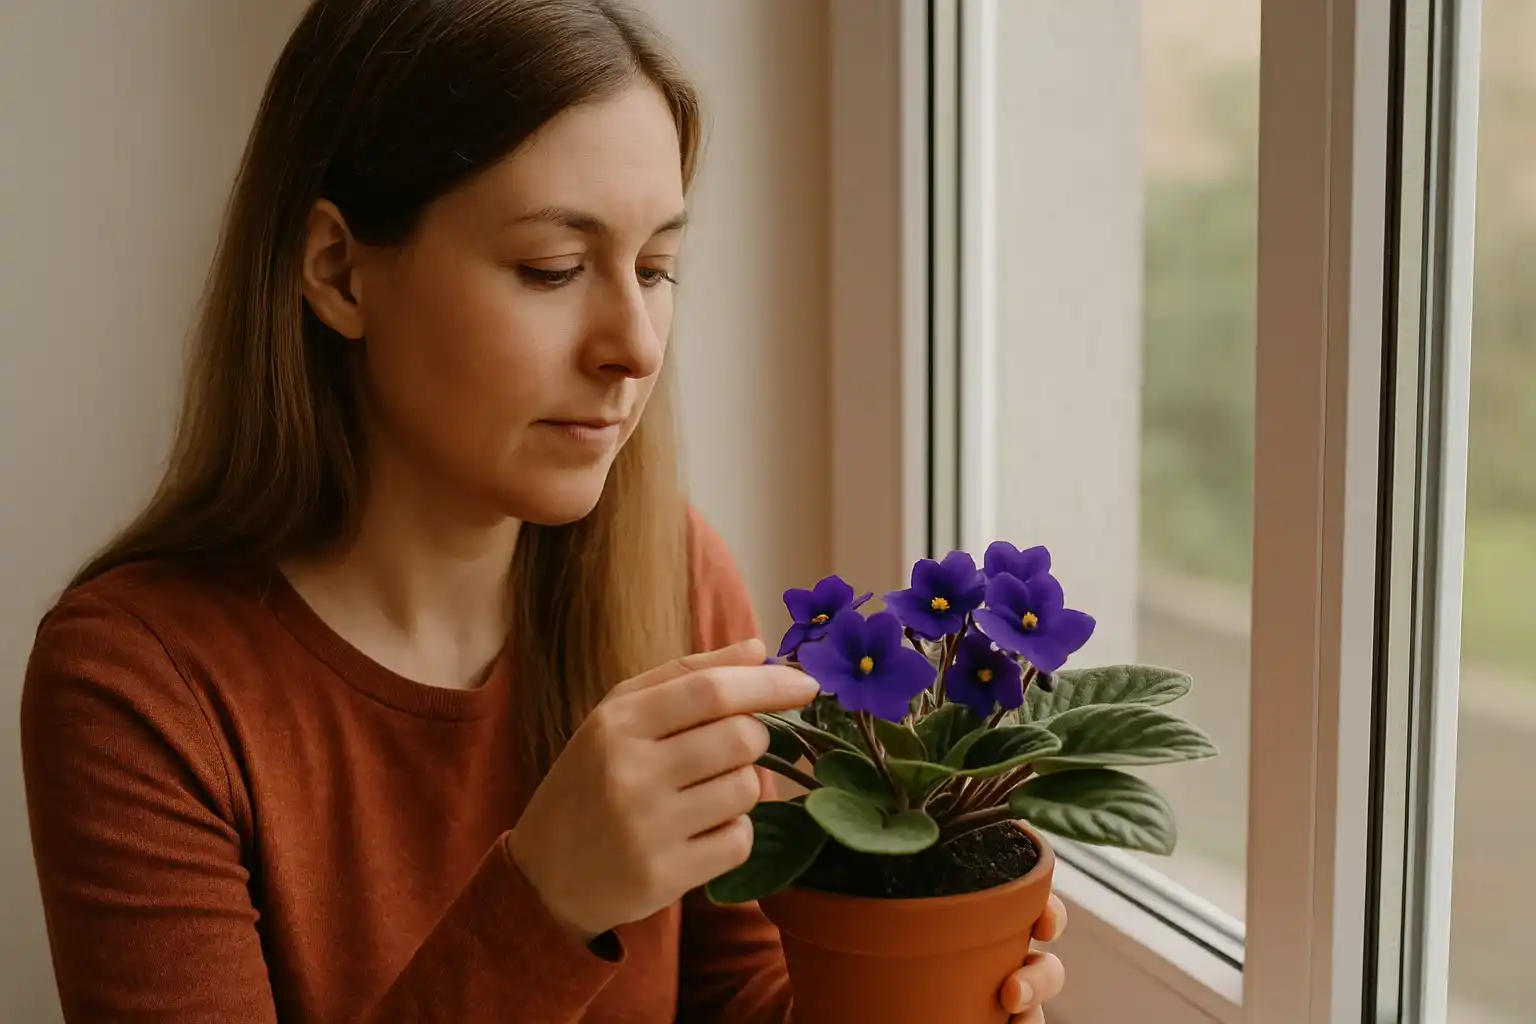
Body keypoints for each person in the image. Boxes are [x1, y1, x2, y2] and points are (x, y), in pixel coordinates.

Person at [19, 1, 1067, 1021]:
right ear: (339, 272)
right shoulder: (138, 688)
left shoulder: (674, 576)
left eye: (655, 268)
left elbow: (739, 998)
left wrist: (925, 990)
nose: (636, 346)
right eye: (552, 269)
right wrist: (545, 902)